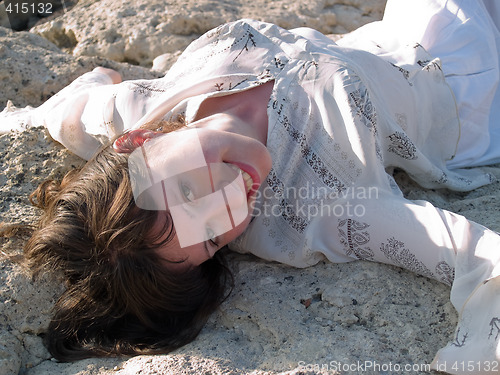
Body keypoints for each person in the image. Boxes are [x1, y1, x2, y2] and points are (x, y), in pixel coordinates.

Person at [2, 0, 500, 373]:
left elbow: (78, 105)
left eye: (189, 195)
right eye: (215, 237)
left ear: (137, 143)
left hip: (413, 25)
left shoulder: (136, 111)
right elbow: (472, 256)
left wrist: (96, 80)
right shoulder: (316, 209)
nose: (232, 201)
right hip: (476, 95)